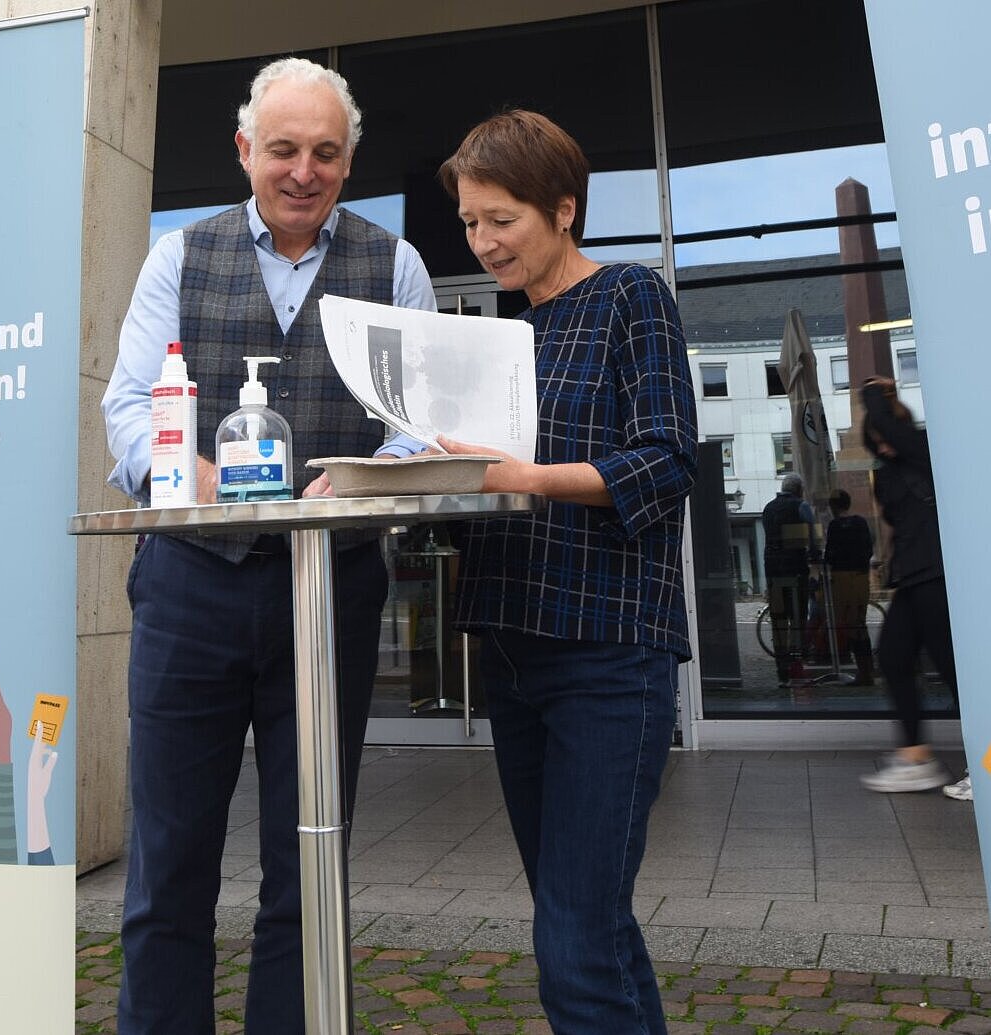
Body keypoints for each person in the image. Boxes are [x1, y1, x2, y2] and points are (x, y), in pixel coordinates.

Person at [101, 57, 436, 1034]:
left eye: (325, 153)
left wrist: (371, 478)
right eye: (283, 149)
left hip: (332, 589)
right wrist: (188, 477)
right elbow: (128, 408)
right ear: (246, 149)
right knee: (167, 862)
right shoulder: (178, 256)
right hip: (190, 585)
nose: (304, 170)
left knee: (310, 858)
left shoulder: (396, 267)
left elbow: (421, 426)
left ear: (348, 159)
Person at [436, 110, 697, 1034]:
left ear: (563, 208)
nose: (483, 241)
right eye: (470, 222)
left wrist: (522, 478)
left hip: (607, 652)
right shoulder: (502, 339)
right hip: (510, 647)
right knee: (587, 924)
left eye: (500, 219)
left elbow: (666, 463)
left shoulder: (632, 295)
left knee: (575, 941)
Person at [858, 377, 966, 796]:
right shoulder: (888, 474)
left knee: (956, 672)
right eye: (876, 442)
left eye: (886, 438)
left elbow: (893, 429)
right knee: (893, 657)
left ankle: (988, 763)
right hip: (913, 578)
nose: (883, 447)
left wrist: (872, 392)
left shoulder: (925, 452)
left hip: (940, 575)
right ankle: (916, 757)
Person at [760, 473, 818, 686]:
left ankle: (782, 671)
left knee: (779, 621)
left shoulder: (768, 508)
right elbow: (811, 537)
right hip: (795, 568)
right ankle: (796, 668)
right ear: (799, 489)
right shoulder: (801, 506)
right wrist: (814, 555)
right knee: (798, 618)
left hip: (773, 570)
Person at [823, 488, 875, 684]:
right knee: (859, 623)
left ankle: (864, 672)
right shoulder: (860, 523)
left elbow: (829, 555)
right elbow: (868, 548)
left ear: (833, 506)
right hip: (861, 576)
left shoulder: (835, 526)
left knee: (851, 624)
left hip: (842, 578)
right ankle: (867, 670)